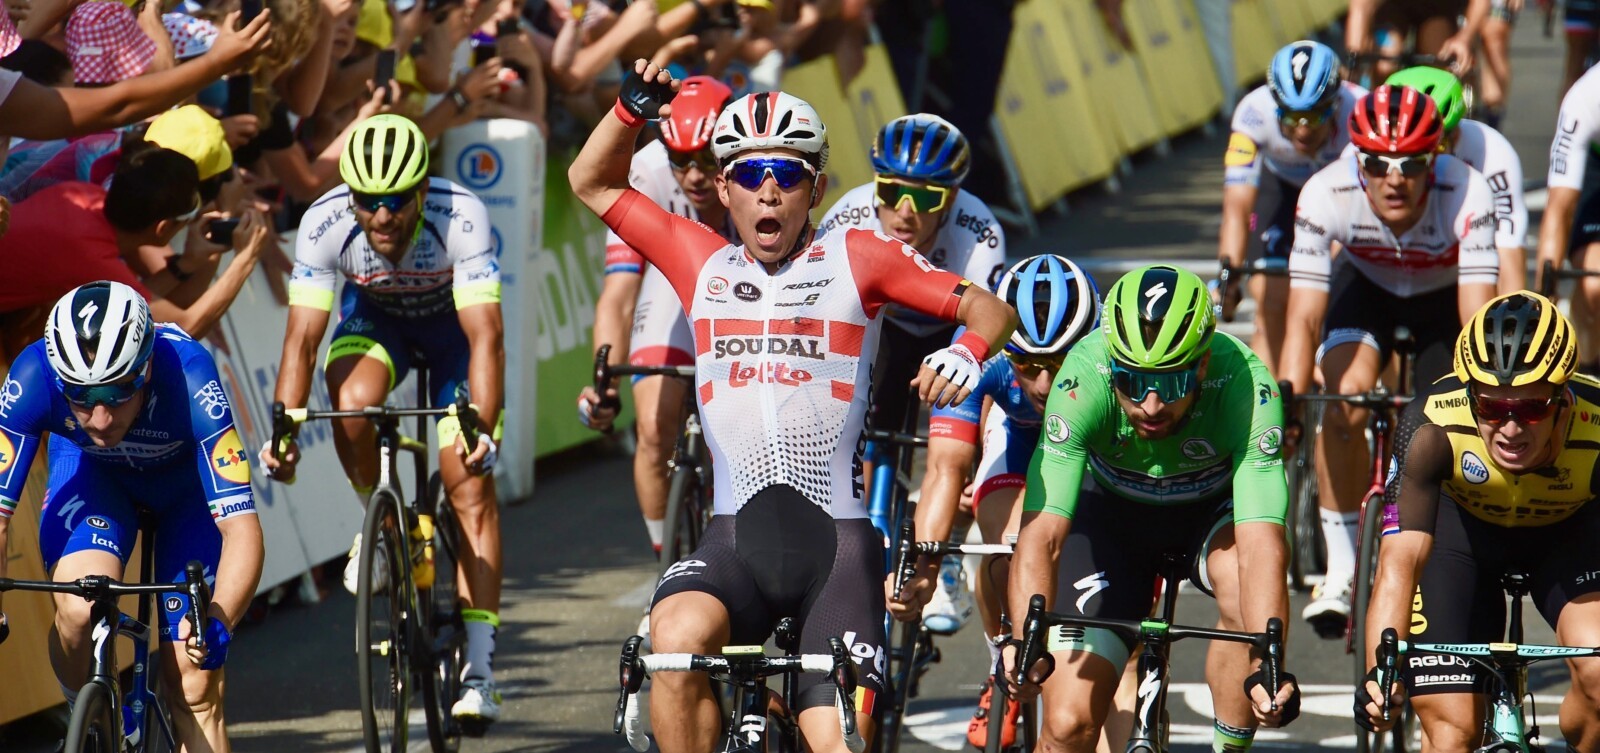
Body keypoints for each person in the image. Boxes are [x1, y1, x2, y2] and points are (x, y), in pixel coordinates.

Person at [567, 61, 1018, 753]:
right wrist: (629, 112)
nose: (768, 190)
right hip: (733, 541)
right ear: (724, 188)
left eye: (788, 175)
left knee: (838, 743)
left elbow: (989, 305)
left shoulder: (860, 256)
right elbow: (592, 181)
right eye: (749, 176)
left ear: (818, 188)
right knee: (671, 640)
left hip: (835, 549)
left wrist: (966, 350)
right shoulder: (699, 261)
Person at [259, 114, 507, 731]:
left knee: (467, 484)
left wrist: (483, 429)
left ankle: (479, 672)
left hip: (453, 336)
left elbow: (486, 337)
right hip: (380, 325)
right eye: (369, 203)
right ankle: (383, 519)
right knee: (351, 403)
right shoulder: (324, 223)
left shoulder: (463, 215)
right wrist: (284, 433)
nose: (383, 216)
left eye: (397, 201)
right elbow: (300, 344)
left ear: (423, 191)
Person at [1004, 265, 1300, 753]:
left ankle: (1232, 746)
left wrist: (1266, 663)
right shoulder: (1083, 377)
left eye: (1175, 381)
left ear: (1203, 365)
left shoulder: (1245, 383)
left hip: (1207, 518)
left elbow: (1262, 544)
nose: (1152, 405)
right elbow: (1043, 533)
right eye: (1132, 381)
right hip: (1110, 522)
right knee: (1067, 723)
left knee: (1240, 584)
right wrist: (1024, 640)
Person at [0, 282, 263, 752]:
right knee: (79, 611)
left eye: (117, 393)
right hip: (98, 484)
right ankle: (92, 720)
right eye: (80, 397)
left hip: (186, 496)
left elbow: (241, 528)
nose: (99, 418)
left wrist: (220, 617)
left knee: (194, 684)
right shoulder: (33, 373)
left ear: (145, 370)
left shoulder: (190, 373)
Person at [1280, 85, 1499, 636]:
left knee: (1441, 420)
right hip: (1369, 289)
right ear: (1358, 160)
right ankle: (1343, 564)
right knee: (1346, 399)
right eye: (1377, 164)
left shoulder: (1468, 191)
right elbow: (1304, 318)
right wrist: (1289, 399)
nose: (1394, 178)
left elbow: (1476, 318)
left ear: (1435, 160)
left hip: (1442, 299)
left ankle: (1441, 548)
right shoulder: (1323, 193)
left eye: (1411, 164)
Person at [1358, 292, 1600, 752]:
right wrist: (1380, 674)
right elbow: (1399, 562)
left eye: (1530, 409)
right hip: (1461, 539)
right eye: (1491, 408)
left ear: (1563, 400)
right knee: (1452, 733)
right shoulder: (1429, 424)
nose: (1510, 428)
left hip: (1570, 538)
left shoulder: (1598, 425)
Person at [888, 254, 1100, 749]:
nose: (1044, 384)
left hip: (1092, 442)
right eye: (1027, 364)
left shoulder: (1108, 353)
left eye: (1059, 363)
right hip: (1015, 438)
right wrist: (924, 562)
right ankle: (999, 657)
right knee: (1007, 543)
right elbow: (943, 470)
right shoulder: (977, 358)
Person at [818, 112, 1004, 624]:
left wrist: (963, 364)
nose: (904, 211)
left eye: (926, 198)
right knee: (861, 429)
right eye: (892, 190)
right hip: (883, 327)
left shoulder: (978, 228)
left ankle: (936, 559)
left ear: (951, 201)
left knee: (957, 450)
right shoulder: (847, 215)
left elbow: (985, 323)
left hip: (952, 335)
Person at [579, 76, 735, 564]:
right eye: (680, 159)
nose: (693, 175)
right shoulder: (644, 171)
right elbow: (620, 294)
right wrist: (604, 379)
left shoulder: (754, 166)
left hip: (738, 284)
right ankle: (665, 564)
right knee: (652, 428)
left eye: (707, 160)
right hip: (671, 284)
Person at [1216, 40, 1366, 374]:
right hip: (1282, 189)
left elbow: (1361, 207)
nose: (1302, 128)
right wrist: (1230, 274)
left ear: (1335, 103)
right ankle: (1271, 410)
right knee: (1271, 303)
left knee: (1332, 295)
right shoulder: (1252, 114)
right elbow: (1237, 207)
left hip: (1341, 193)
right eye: (1292, 116)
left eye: (1314, 116)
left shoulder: (1360, 112)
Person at [1384, 67, 1527, 292]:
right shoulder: (1361, 153)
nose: (1430, 156)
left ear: (1456, 132)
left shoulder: (1492, 152)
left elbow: (1508, 250)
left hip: (1451, 276)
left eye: (1436, 143)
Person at [1538, 61, 1600, 358]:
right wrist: (1543, 300)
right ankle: (1591, 369)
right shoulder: (1586, 96)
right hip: (1597, 169)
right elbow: (1558, 210)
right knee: (1594, 284)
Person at [1344, 0, 1487, 80]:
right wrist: (1354, 60)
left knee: (1438, 65)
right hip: (1394, 7)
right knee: (1385, 64)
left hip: (1438, 8)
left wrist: (1464, 38)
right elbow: (1360, 7)